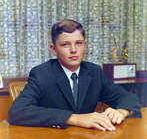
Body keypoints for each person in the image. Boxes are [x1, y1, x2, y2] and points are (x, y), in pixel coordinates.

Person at [8, 19, 142, 131]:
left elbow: (128, 97)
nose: (73, 50)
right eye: (65, 45)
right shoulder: (41, 74)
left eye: (78, 43)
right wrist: (75, 118)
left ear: (84, 46)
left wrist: (122, 112)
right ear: (54, 49)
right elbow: (17, 112)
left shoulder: (94, 72)